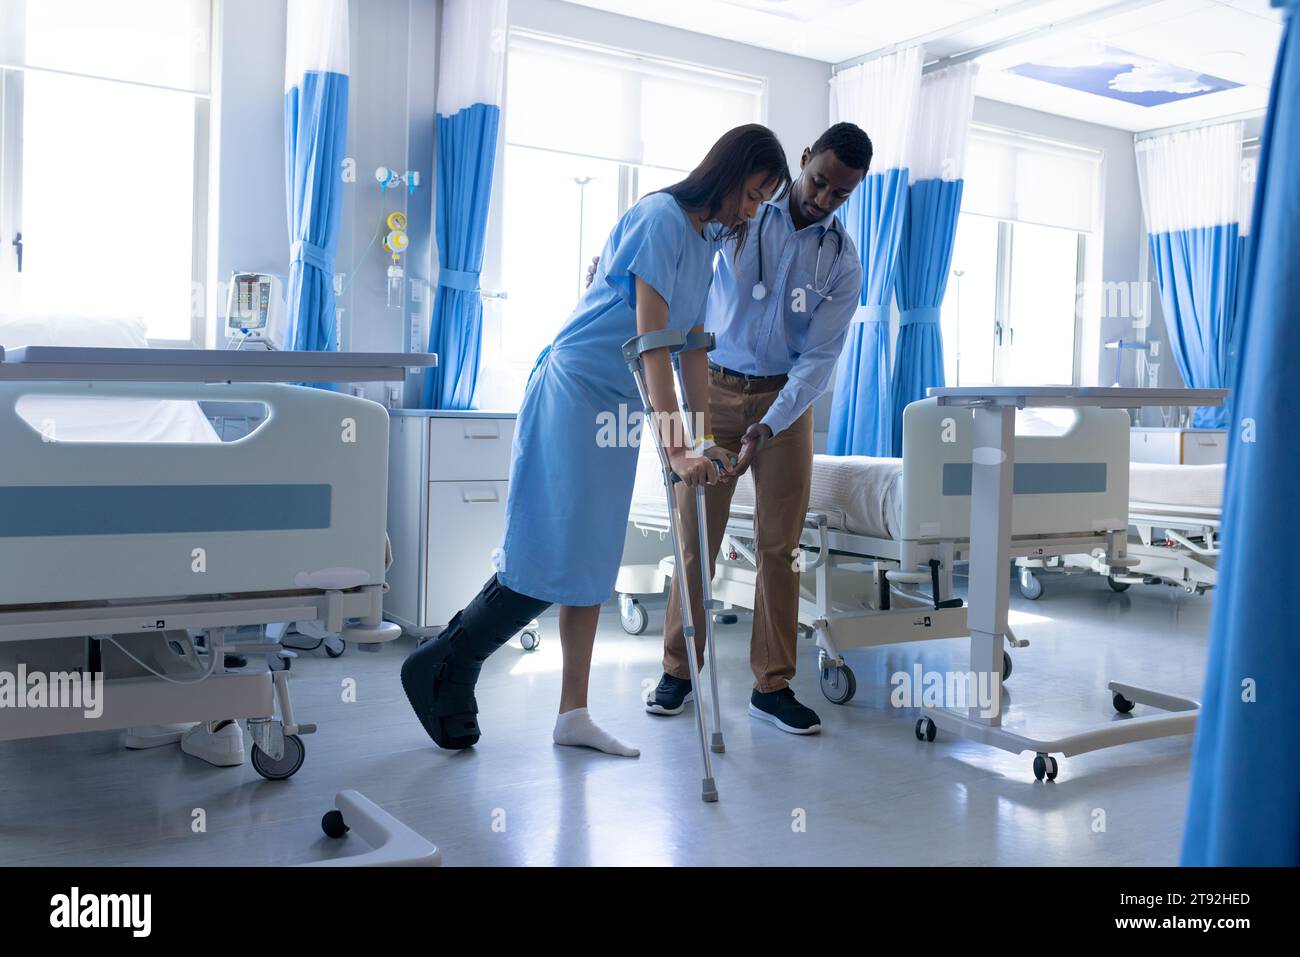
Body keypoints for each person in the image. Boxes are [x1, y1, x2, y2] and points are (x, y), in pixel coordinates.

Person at [402, 124, 792, 756]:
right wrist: (674, 450)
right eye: (751, 194)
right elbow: (650, 344)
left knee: (588, 560)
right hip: (572, 390)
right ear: (725, 175)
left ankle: (572, 713)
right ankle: (443, 664)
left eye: (762, 200)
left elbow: (692, 345)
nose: (751, 210)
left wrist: (699, 438)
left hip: (617, 403)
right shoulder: (660, 219)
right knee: (546, 553)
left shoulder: (705, 242)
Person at [636, 122, 871, 735]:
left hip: (785, 407)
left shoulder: (843, 262)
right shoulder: (741, 214)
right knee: (696, 537)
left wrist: (770, 424)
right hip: (710, 381)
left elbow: (819, 360)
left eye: (840, 195)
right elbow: (678, 261)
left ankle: (772, 685)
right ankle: (679, 671)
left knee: (781, 547)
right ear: (803, 160)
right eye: (819, 182)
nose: (824, 199)